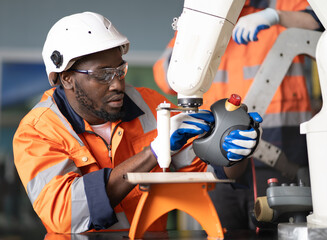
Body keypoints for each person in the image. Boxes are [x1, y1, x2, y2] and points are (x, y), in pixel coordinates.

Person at [12, 12, 262, 234]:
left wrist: (232, 152)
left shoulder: (150, 104)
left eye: (120, 70)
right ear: (66, 79)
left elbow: (208, 173)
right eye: (103, 74)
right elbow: (66, 213)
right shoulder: (37, 131)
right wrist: (154, 151)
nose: (117, 84)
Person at [153, 0, 324, 230]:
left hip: (283, 155)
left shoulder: (283, 2)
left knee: (280, 231)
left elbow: (320, 23)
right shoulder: (206, 17)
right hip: (218, 156)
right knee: (222, 232)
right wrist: (200, 33)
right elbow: (165, 76)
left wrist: (274, 16)